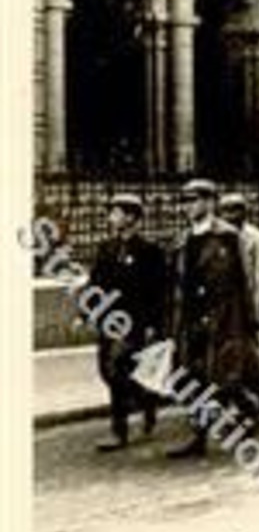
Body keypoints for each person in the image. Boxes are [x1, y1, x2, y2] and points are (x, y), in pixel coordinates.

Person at [167, 179, 259, 458]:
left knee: (225, 376)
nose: (188, 206)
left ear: (210, 202)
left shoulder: (228, 236)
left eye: (194, 200)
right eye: (185, 201)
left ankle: (248, 410)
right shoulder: (183, 239)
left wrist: (250, 318)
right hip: (192, 317)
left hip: (225, 316)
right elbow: (177, 284)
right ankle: (198, 436)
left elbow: (244, 279)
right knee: (193, 376)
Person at [87, 193, 167, 452]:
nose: (111, 217)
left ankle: (118, 432)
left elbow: (157, 291)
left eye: (116, 212)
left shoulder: (149, 251)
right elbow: (95, 285)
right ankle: (147, 399)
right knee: (107, 372)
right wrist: (86, 314)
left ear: (131, 217)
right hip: (107, 322)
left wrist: (154, 325)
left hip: (134, 324)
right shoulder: (106, 248)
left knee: (117, 369)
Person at [219, 193, 259, 327]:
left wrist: (256, 309)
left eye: (235, 209)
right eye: (226, 210)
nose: (230, 215)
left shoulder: (258, 238)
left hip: (244, 298)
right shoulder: (215, 236)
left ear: (244, 212)